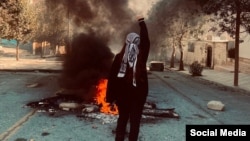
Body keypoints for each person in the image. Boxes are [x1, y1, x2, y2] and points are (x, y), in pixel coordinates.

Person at [106, 16, 150, 141]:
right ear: (138, 43)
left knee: (122, 120)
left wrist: (111, 98)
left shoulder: (119, 58)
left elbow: (112, 79)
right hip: (137, 98)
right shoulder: (141, 57)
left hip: (122, 98)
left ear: (125, 42)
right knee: (135, 123)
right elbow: (146, 42)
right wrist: (141, 22)